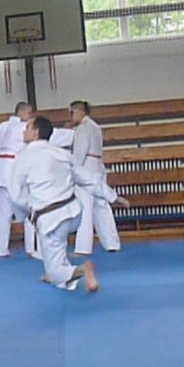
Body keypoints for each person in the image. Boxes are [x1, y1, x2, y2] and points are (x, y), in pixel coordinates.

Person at [9, 116, 129, 292]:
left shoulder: (23, 157)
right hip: (74, 212)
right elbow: (87, 180)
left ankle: (80, 270)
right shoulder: (62, 153)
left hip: (51, 219)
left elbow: (15, 196)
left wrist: (28, 213)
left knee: (55, 269)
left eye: (27, 127)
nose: (23, 131)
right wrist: (113, 197)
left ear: (35, 132)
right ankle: (55, 271)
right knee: (56, 250)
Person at [70, 100, 122, 255]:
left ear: (80, 112)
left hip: (86, 169)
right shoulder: (95, 126)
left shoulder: (83, 128)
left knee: (85, 207)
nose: (71, 116)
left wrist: (74, 171)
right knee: (102, 206)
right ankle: (112, 243)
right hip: (98, 167)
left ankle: (83, 248)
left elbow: (79, 153)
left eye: (72, 112)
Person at [0, 102, 38, 259]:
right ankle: (30, 248)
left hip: (0, 170)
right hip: (16, 170)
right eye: (29, 113)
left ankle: (1, 249)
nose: (30, 116)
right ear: (21, 112)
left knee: (2, 214)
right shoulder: (24, 127)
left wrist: (1, 162)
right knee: (28, 209)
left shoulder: (1, 127)